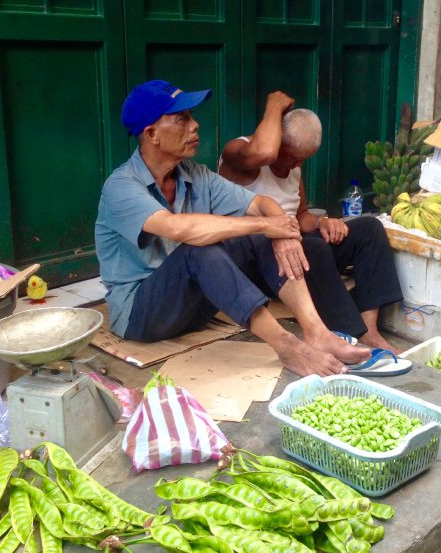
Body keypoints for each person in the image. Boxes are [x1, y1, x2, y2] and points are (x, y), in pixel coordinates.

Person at [95, 80, 371, 377]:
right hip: (142, 315)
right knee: (199, 250)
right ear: (152, 134)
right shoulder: (121, 186)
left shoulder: (195, 175)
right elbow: (178, 228)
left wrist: (281, 235)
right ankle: (288, 347)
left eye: (191, 117)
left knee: (259, 236)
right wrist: (269, 225)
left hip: (195, 308)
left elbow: (263, 203)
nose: (195, 125)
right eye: (182, 119)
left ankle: (317, 332)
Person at [219, 92, 403, 352]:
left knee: (368, 229)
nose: (296, 164)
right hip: (258, 263)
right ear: (278, 140)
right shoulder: (239, 154)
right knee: (313, 249)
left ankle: (369, 330)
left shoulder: (295, 164)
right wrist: (274, 105)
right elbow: (264, 151)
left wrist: (324, 223)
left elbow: (301, 215)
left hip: (294, 253)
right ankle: (350, 334)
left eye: (303, 159)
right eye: (292, 156)